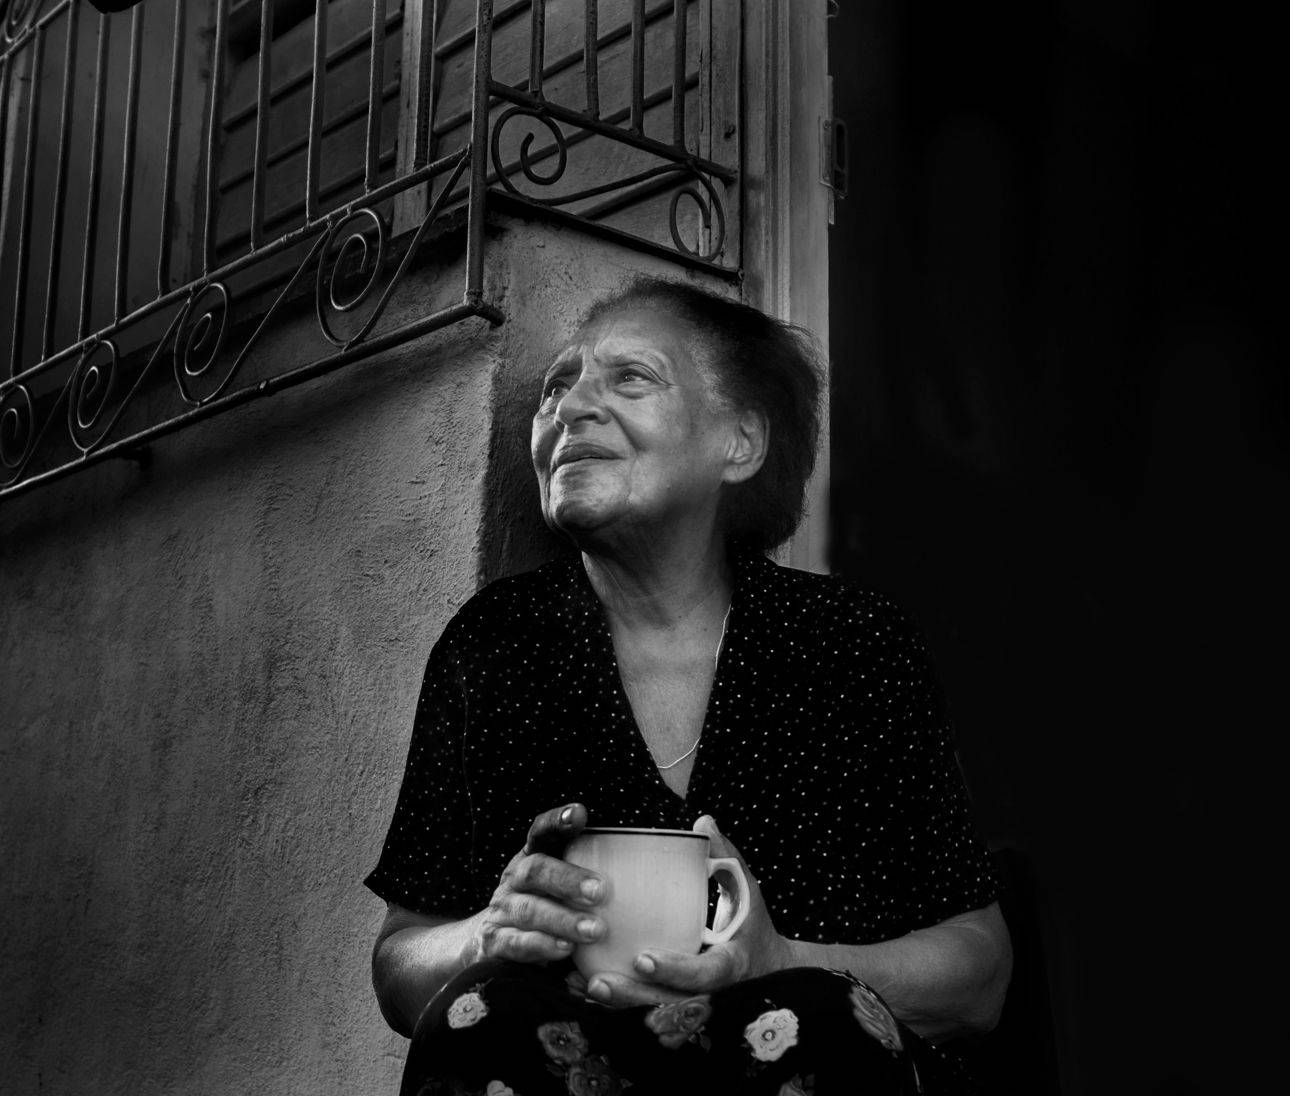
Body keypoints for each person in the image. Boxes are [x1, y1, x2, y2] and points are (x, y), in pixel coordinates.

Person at [364, 278, 1011, 1095]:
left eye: (629, 377)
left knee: (815, 1015)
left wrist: (783, 962)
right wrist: (484, 937)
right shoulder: (495, 646)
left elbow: (981, 977)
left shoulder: (852, 646)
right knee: (486, 1018)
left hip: (798, 1065)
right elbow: (399, 962)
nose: (569, 409)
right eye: (557, 386)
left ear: (739, 441)